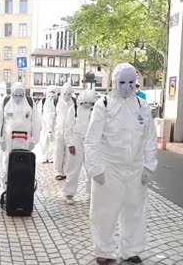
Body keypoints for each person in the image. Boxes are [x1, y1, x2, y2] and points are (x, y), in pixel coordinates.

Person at [85, 63, 158, 265]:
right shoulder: (104, 105)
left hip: (135, 168)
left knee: (134, 211)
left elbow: (150, 138)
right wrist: (96, 168)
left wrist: (149, 166)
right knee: (104, 211)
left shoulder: (142, 107)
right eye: (122, 82)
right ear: (114, 82)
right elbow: (92, 140)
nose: (127, 87)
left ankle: (130, 249)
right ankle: (104, 250)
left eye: (131, 82)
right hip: (109, 167)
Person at [0, 82, 41, 190]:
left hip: (25, 141)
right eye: (15, 95)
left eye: (21, 96)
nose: (18, 98)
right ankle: (6, 188)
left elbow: (36, 121)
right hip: (8, 140)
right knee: (7, 161)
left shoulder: (29, 103)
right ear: (12, 93)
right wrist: (0, 140)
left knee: (24, 162)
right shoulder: (6, 102)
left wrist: (34, 140)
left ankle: (23, 188)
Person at [63, 89, 96, 205]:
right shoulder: (74, 109)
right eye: (85, 103)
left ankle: (92, 193)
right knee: (73, 169)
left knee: (91, 169)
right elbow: (68, 128)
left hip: (90, 143)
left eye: (90, 103)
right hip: (76, 141)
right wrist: (70, 144)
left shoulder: (95, 110)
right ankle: (69, 193)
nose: (87, 105)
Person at [53, 82, 75, 180]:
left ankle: (66, 171)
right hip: (58, 131)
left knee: (68, 152)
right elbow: (51, 116)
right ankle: (58, 171)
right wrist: (50, 130)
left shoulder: (74, 102)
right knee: (58, 152)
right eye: (65, 93)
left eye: (69, 94)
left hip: (70, 131)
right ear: (62, 92)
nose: (67, 96)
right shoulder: (56, 101)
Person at [38, 85, 57, 164]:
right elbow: (39, 113)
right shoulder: (42, 102)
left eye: (53, 92)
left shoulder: (57, 102)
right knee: (44, 141)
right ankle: (44, 156)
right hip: (44, 125)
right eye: (50, 92)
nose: (51, 95)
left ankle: (52, 156)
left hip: (54, 125)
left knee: (53, 141)